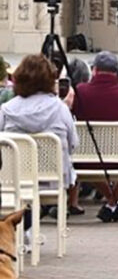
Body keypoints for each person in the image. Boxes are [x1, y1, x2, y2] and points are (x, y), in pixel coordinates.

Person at [73, 51, 118, 222]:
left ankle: (112, 203)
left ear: (95, 70)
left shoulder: (81, 91)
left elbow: (73, 114)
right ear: (116, 71)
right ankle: (113, 203)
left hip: (87, 157)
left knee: (90, 168)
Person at [0, 54, 77, 192]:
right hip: (54, 181)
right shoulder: (60, 108)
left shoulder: (6, 110)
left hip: (15, 180)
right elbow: (73, 144)